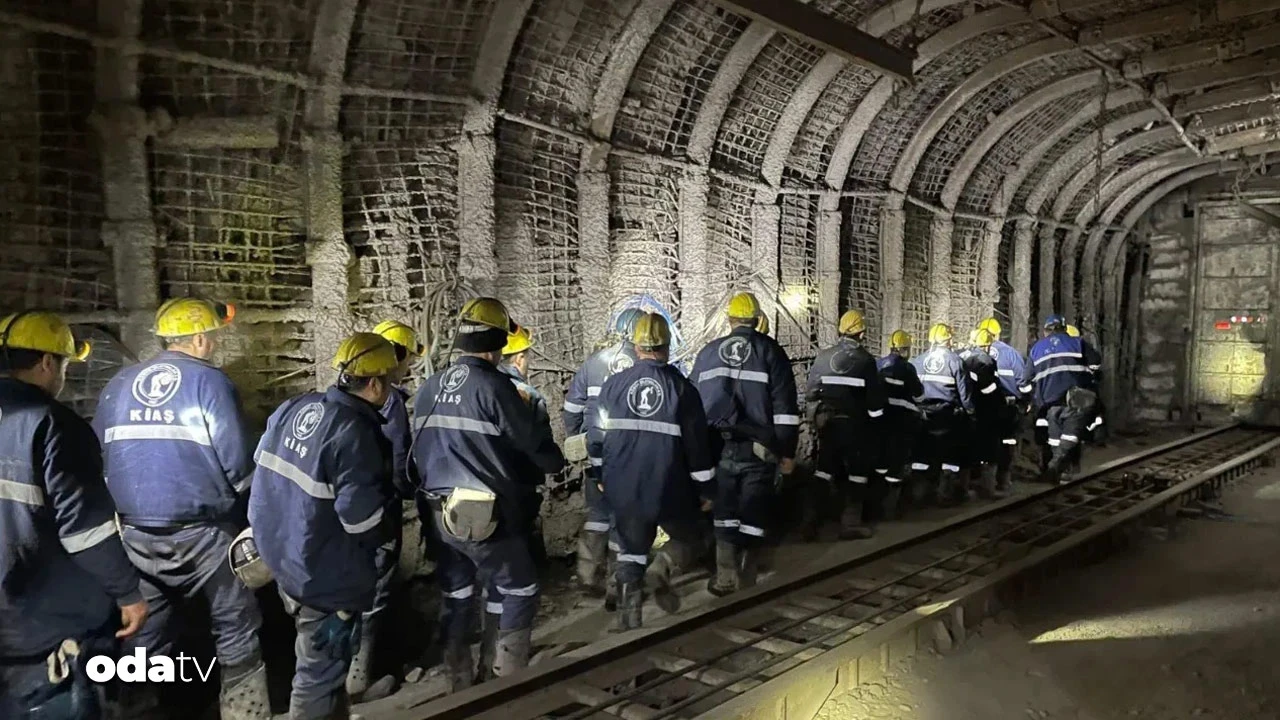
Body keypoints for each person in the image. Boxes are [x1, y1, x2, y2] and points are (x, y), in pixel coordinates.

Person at [92, 298, 266, 718]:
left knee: (144, 631)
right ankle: (246, 711)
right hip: (206, 534)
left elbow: (97, 457)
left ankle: (138, 710)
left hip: (134, 534)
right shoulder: (211, 383)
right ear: (202, 339)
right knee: (234, 623)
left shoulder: (118, 384)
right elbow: (237, 465)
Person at [0, 311, 148, 719]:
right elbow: (86, 531)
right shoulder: (55, 426)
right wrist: (128, 594)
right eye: (64, 364)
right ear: (48, 362)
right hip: (45, 624)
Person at [412, 298, 565, 690]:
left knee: (460, 592)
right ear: (497, 343)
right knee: (520, 586)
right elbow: (532, 444)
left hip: (439, 513)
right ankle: (506, 683)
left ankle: (459, 682)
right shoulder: (496, 387)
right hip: (485, 517)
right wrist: (553, 461)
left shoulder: (431, 386)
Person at [249, 332, 396, 720]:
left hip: (283, 557)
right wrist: (383, 538)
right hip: (324, 575)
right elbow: (361, 520)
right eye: (392, 380)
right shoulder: (357, 432)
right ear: (376, 383)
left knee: (324, 667)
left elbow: (262, 471)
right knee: (318, 670)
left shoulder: (296, 406)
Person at [588, 313, 715, 630]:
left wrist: (599, 475)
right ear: (667, 346)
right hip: (669, 487)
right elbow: (698, 448)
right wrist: (706, 490)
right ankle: (662, 566)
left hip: (624, 485)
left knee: (630, 554)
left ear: (636, 346)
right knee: (694, 536)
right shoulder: (683, 390)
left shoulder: (613, 385)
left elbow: (595, 436)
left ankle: (627, 626)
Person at [691, 292, 799, 596]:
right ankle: (748, 571)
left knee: (723, 508)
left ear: (729, 318)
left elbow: (692, 405)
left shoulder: (708, 353)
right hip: (758, 448)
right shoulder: (771, 352)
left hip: (717, 446)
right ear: (758, 319)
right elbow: (785, 410)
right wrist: (787, 452)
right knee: (754, 507)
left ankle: (725, 577)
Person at [563, 308, 645, 602]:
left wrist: (578, 438)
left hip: (595, 451)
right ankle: (616, 585)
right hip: (630, 457)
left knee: (597, 514)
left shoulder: (593, 363)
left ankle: (586, 575)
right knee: (624, 520)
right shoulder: (643, 364)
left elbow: (572, 409)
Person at [803, 310, 887, 540]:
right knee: (857, 473)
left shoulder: (823, 356)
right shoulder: (866, 361)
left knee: (823, 471)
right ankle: (850, 524)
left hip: (828, 424)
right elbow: (874, 402)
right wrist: (877, 425)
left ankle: (811, 522)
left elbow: (810, 392)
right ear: (861, 332)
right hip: (855, 426)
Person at [1019, 315, 1102, 480]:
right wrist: (1085, 375)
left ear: (1046, 331)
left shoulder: (1036, 349)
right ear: (1064, 329)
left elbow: (1025, 381)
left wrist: (1031, 398)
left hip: (1049, 404)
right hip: (1075, 399)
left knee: (1055, 441)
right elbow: (1095, 364)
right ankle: (1055, 471)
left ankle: (1058, 474)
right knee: (1070, 437)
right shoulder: (1077, 343)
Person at [910, 324, 975, 507]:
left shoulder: (918, 361)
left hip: (923, 415)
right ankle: (945, 495)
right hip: (948, 417)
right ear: (948, 340)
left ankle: (918, 497)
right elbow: (964, 392)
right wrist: (970, 413)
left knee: (922, 457)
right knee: (949, 458)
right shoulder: (955, 361)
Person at [877, 330, 924, 519]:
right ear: (904, 349)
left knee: (881, 462)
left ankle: (874, 504)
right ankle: (890, 508)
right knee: (897, 464)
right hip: (902, 422)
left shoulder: (879, 364)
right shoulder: (907, 368)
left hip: (881, 420)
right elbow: (919, 395)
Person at [959, 328, 1012, 499]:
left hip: (967, 409)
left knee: (969, 450)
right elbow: (990, 388)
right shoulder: (986, 361)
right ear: (988, 345)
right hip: (986, 411)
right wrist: (1002, 402)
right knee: (990, 450)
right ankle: (988, 488)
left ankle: (965, 487)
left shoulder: (963, 356)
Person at [976, 318, 1026, 495]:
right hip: (1008, 407)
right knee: (1007, 442)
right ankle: (1003, 480)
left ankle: (983, 480)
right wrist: (1025, 401)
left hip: (983, 407)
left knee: (986, 442)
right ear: (997, 334)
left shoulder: (973, 354)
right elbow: (1023, 382)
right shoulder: (1011, 354)